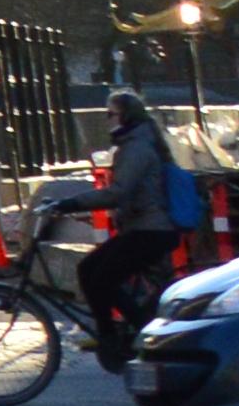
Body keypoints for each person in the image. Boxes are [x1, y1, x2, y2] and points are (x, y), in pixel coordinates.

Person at [84, 92, 212, 361]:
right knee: (87, 269)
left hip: (152, 230)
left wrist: (69, 203)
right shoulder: (133, 144)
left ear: (126, 116)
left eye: (111, 114)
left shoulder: (138, 148)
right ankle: (110, 334)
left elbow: (117, 192)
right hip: (141, 228)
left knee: (101, 278)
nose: (107, 120)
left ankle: (137, 333)